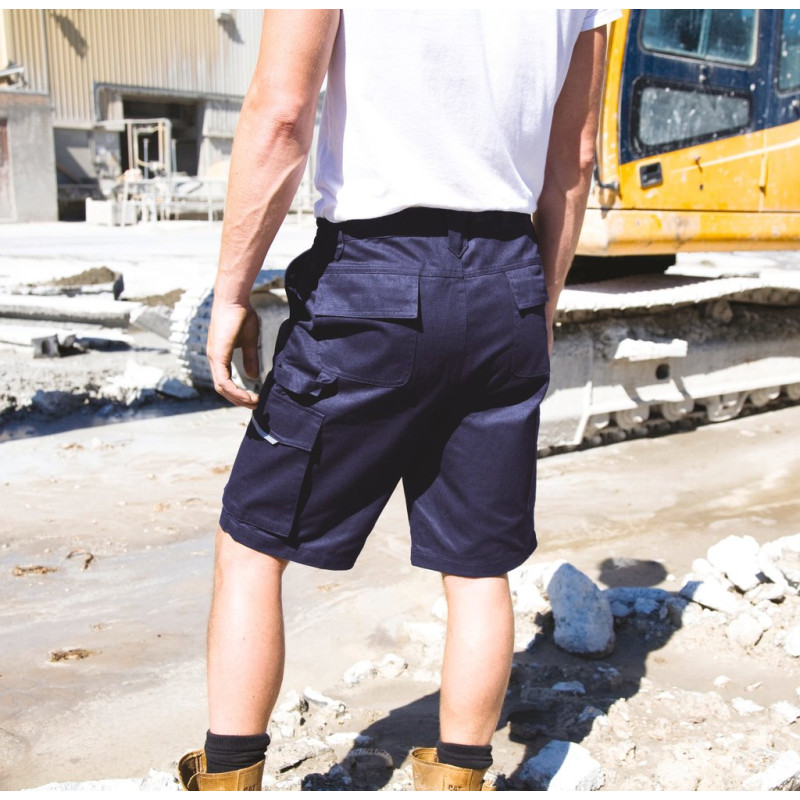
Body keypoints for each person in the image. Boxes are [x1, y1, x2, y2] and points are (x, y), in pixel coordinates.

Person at [178, 9, 615, 791]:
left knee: (252, 541)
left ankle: (230, 775)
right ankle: (457, 775)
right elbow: (574, 157)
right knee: (478, 564)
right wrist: (540, 306)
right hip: (508, 278)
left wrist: (232, 292)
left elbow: (282, 112)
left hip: (372, 276)